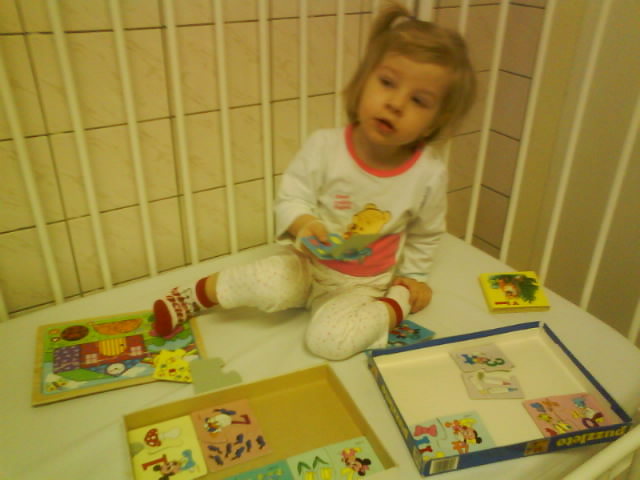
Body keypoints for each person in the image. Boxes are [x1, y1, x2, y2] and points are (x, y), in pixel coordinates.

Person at [152, 3, 476, 360]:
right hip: (308, 265)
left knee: (328, 343)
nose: (396, 103)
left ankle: (398, 304)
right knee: (266, 279)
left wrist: (412, 279)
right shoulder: (325, 147)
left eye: (419, 100)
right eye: (387, 82)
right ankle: (196, 295)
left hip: (363, 286)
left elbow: (426, 233)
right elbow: (291, 197)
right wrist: (304, 223)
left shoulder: (427, 173)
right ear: (363, 81)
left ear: (435, 122)